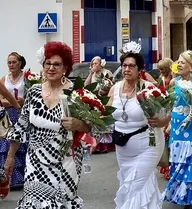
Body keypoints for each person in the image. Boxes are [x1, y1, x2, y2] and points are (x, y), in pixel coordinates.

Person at [4, 41, 91, 208]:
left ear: (65, 68)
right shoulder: (34, 92)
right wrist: (10, 157)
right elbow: (21, 126)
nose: (51, 68)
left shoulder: (76, 93)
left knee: (61, 202)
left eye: (57, 64)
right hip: (35, 160)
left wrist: (79, 124)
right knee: (35, 202)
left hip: (65, 161)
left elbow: (92, 128)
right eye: (48, 63)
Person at [107, 44, 166, 208]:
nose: (127, 69)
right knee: (133, 185)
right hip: (123, 147)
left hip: (148, 145)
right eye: (124, 65)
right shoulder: (115, 89)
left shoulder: (149, 89)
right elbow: (106, 114)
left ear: (139, 69)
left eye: (131, 65)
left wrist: (161, 121)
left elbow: (167, 112)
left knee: (135, 186)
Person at [162, 50, 192, 209]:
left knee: (191, 160)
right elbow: (169, 106)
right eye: (178, 61)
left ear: (191, 66)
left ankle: (191, 197)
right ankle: (179, 194)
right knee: (179, 160)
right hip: (177, 125)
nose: (179, 64)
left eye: (183, 62)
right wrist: (167, 124)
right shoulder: (173, 82)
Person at [0, 52, 27, 188]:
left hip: (22, 113)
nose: (11, 65)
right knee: (6, 145)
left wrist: (22, 102)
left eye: (13, 62)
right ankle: (8, 178)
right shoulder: (4, 79)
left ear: (19, 63)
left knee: (21, 144)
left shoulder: (27, 78)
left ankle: (22, 177)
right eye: (9, 62)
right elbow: (1, 99)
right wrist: (11, 103)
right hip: (7, 115)